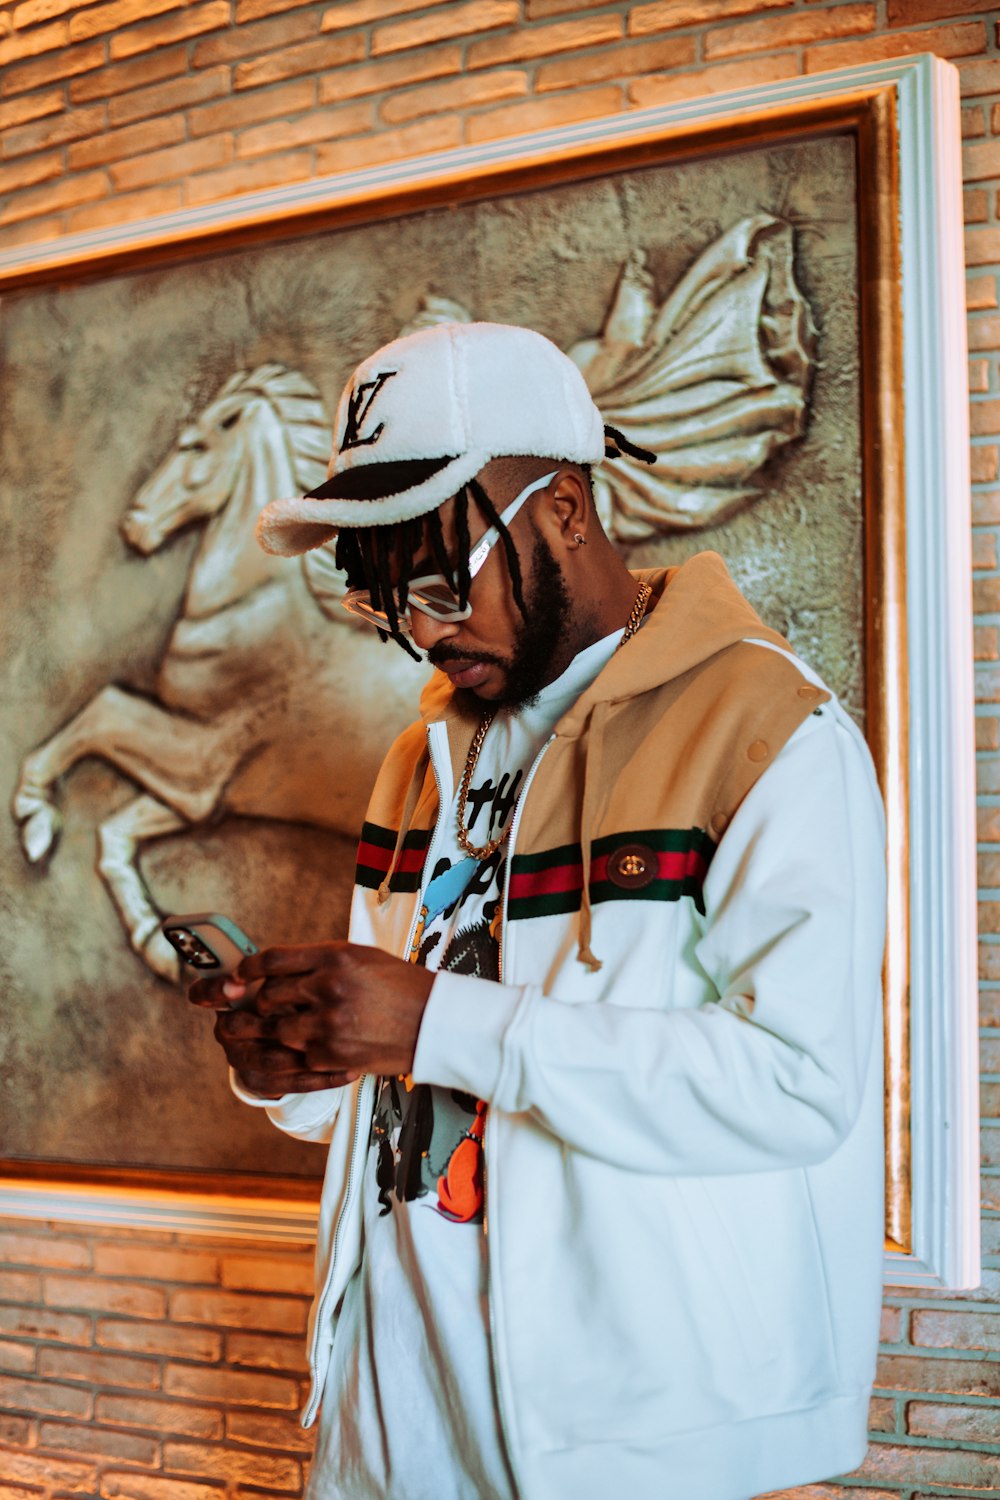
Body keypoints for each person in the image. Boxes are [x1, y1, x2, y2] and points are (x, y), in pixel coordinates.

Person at [190, 321, 887, 1500]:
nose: (420, 629)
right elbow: (392, 1085)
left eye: (438, 579)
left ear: (561, 508)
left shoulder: (771, 732)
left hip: (623, 1439)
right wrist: (291, 1059)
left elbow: (797, 1085)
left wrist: (433, 1023)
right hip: (387, 1414)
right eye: (383, 599)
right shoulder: (422, 761)